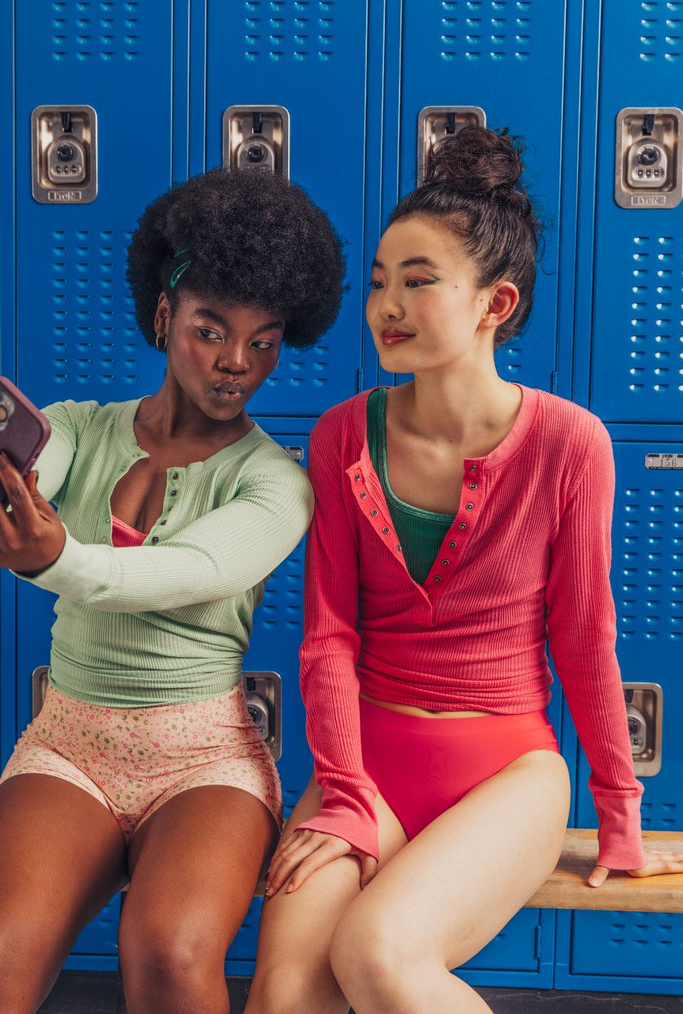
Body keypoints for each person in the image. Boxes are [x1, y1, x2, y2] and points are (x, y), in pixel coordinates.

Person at [246, 126, 683, 1014]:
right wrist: (340, 790)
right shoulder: (339, 436)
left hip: (505, 771)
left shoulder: (571, 443)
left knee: (379, 955)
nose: (385, 306)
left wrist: (617, 814)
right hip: (367, 762)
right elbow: (327, 637)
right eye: (376, 281)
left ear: (493, 303)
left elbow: (586, 637)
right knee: (286, 994)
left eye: (417, 282)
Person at [0, 165, 344, 1014]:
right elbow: (36, 470)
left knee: (170, 952)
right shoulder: (78, 426)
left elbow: (187, 572)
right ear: (164, 316)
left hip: (204, 760)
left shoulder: (275, 483)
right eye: (209, 330)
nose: (236, 363)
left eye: (263, 342)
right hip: (70, 742)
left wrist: (53, 561)